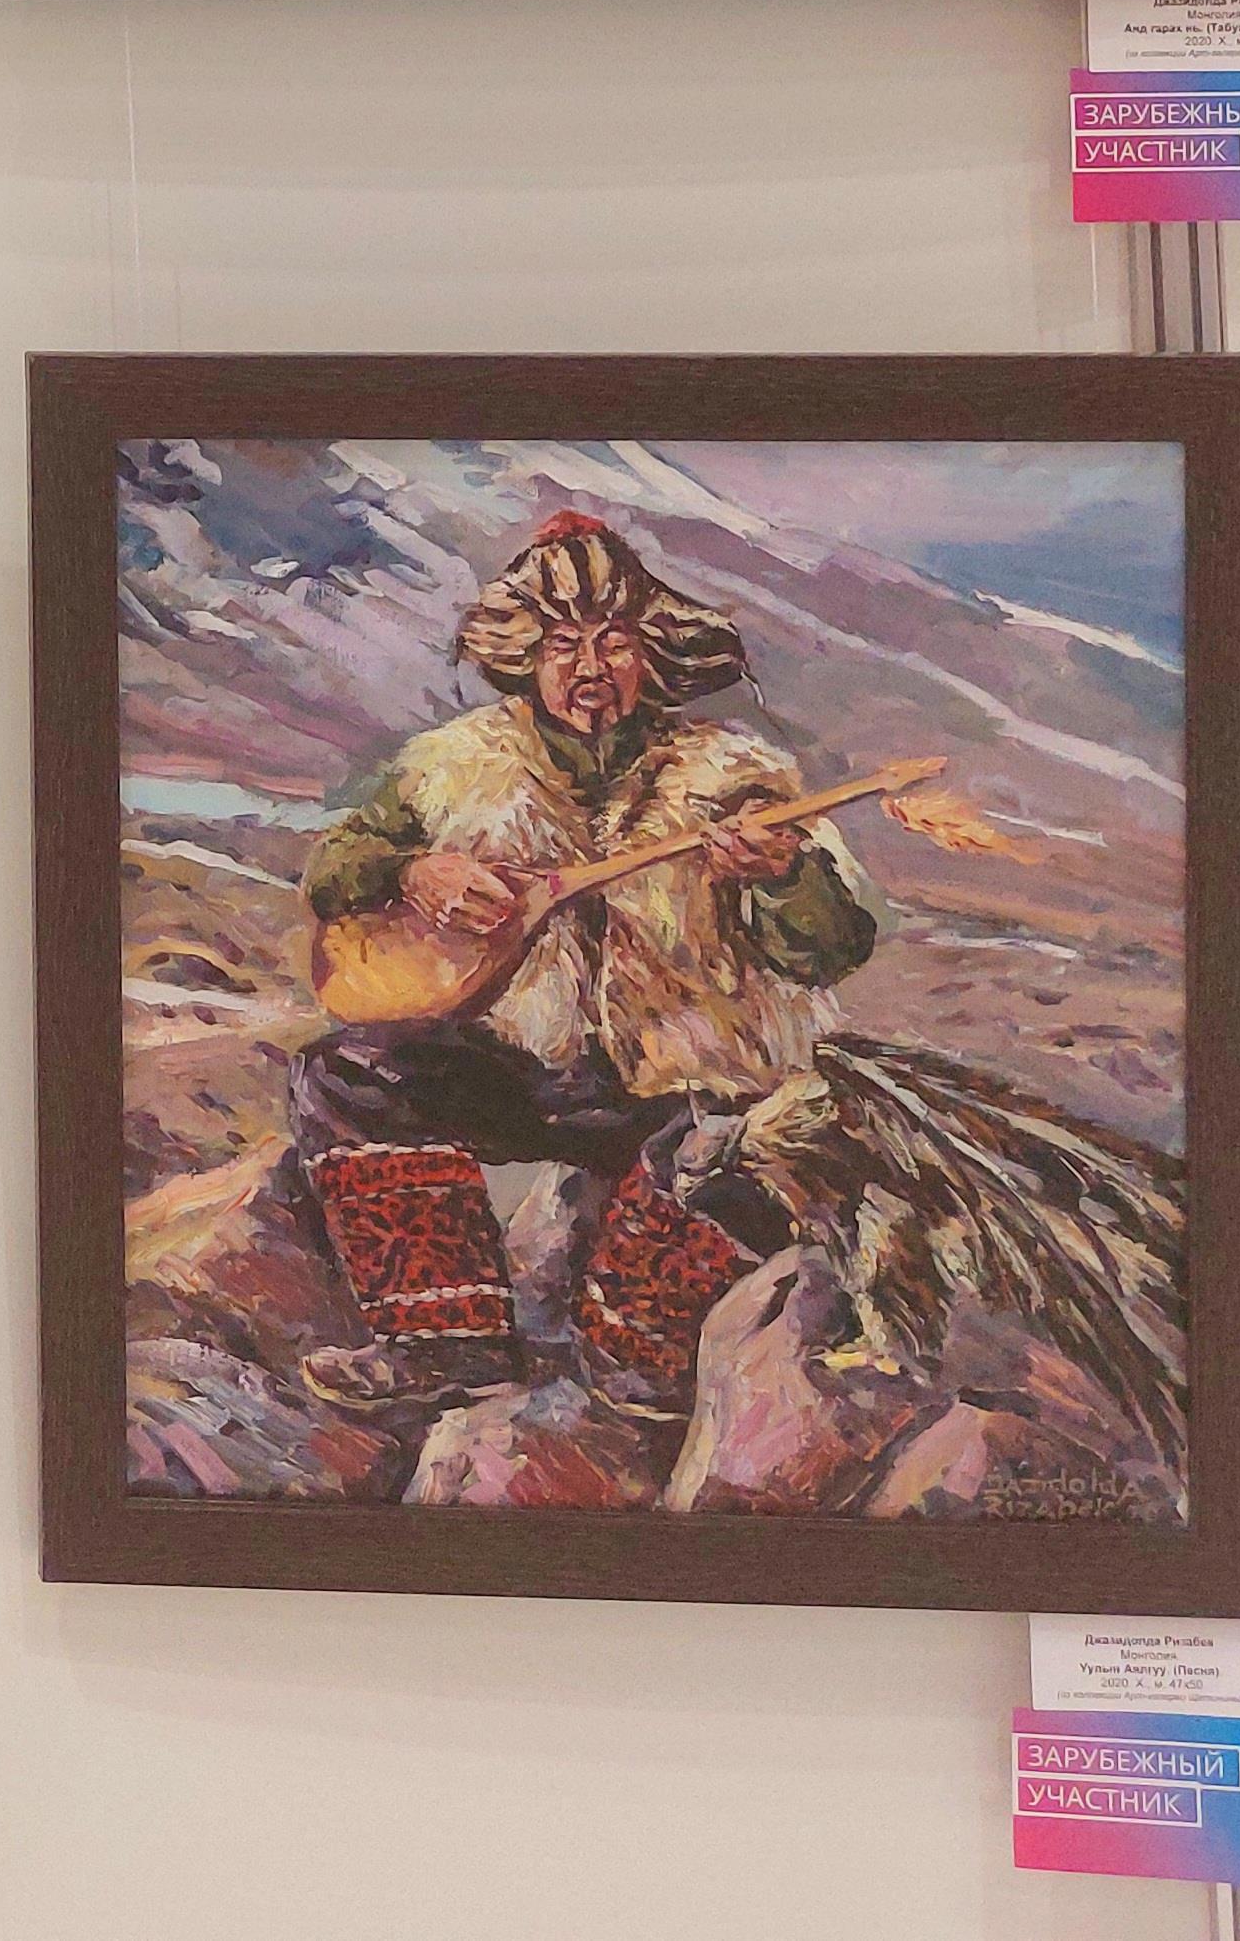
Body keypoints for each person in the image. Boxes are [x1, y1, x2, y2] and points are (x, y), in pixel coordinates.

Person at [292, 510, 876, 1415]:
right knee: (347, 1074)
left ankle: (639, 1358)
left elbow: (831, 946)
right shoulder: (452, 766)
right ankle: (445, 1347)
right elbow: (335, 867)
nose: (589, 668)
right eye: (562, 644)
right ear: (525, 654)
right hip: (524, 1072)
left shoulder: (734, 777)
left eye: (614, 641)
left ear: (653, 654)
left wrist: (778, 875)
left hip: (683, 1089)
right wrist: (414, 870)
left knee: (662, 1320)